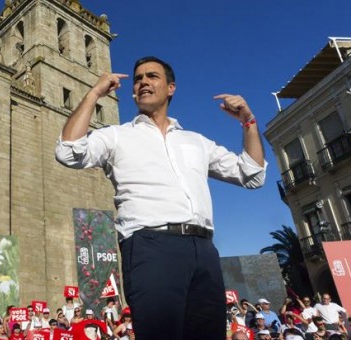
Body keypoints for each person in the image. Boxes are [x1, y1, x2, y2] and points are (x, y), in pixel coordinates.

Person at [54, 56, 266, 340]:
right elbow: (68, 151)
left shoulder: (196, 141)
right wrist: (93, 93)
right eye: (138, 78)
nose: (143, 82)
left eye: (152, 76)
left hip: (204, 250)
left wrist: (248, 121)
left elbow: (252, 175)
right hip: (151, 246)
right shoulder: (116, 136)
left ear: (171, 88)